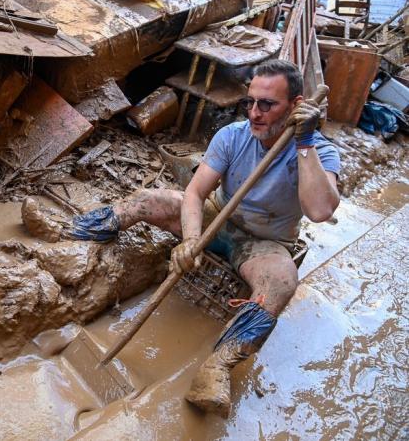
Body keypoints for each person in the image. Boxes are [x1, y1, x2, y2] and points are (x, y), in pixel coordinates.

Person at [21, 59, 340, 417]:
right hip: (214, 220)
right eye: (249, 102)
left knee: (281, 281)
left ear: (296, 106)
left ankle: (217, 368)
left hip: (260, 244)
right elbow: (194, 193)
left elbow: (320, 211)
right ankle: (70, 233)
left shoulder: (318, 151)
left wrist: (305, 142)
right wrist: (190, 240)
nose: (254, 113)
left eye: (267, 105)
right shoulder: (234, 135)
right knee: (148, 198)